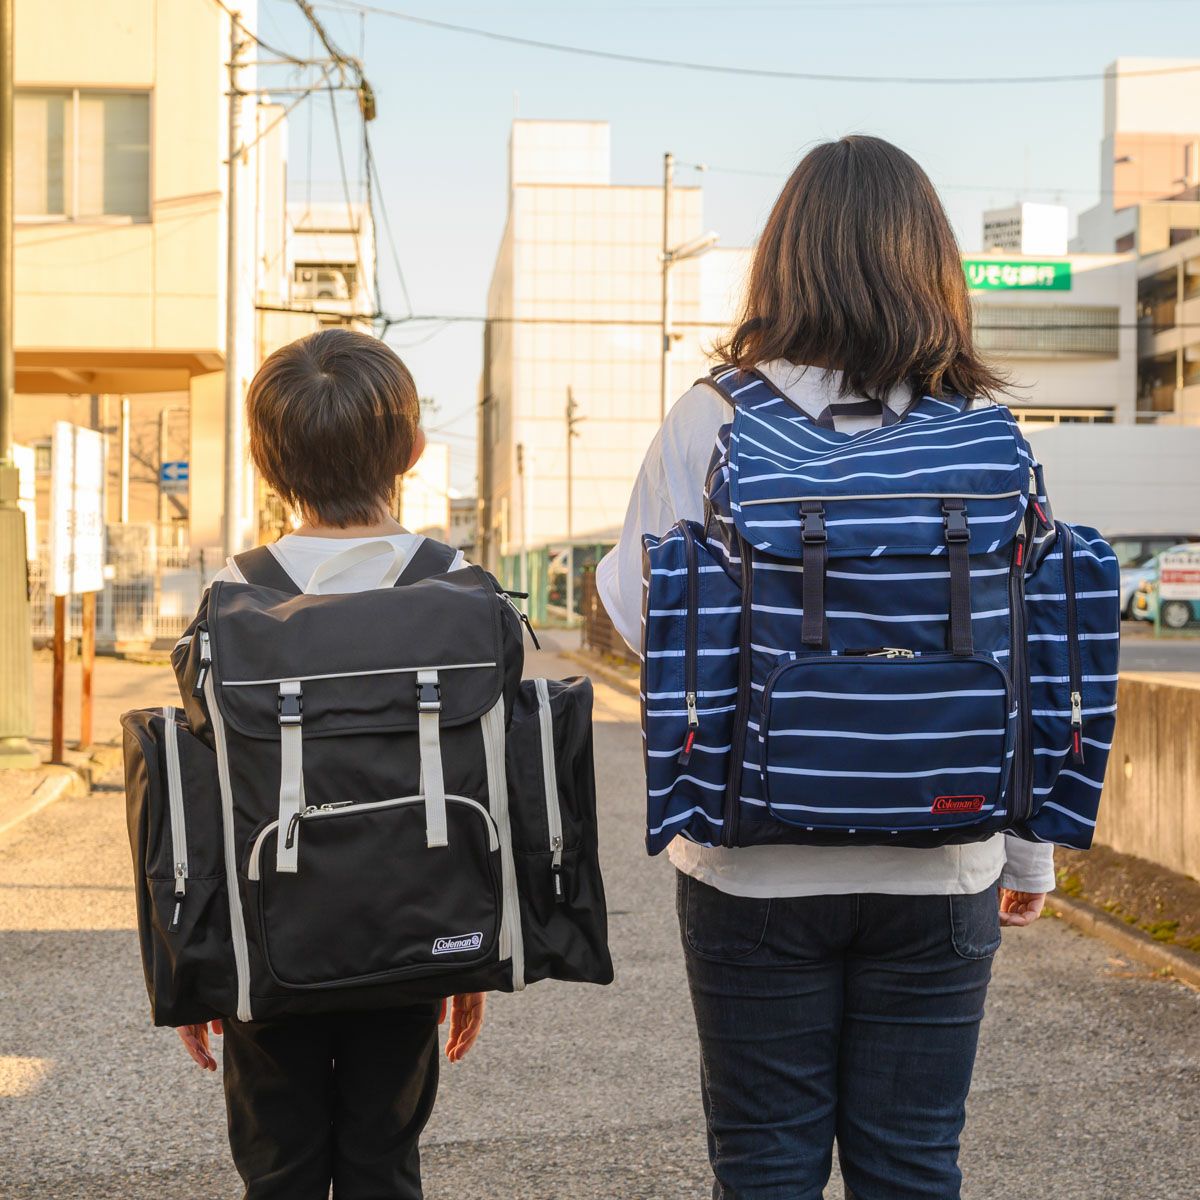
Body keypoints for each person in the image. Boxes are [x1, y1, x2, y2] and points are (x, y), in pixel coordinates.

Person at [597, 135, 1055, 1200]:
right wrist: (1028, 858)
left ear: (781, 260)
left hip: (750, 861)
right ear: (932, 264)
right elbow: (1031, 654)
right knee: (911, 1165)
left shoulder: (711, 417)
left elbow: (636, 612)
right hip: (945, 858)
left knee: (764, 1167)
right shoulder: (990, 432)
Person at [174, 328, 486, 1200]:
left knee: (278, 1170)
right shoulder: (458, 590)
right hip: (414, 930)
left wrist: (198, 960)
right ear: (414, 451)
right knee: (386, 1166)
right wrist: (469, 958)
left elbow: (204, 802)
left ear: (267, 465)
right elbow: (478, 780)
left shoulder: (231, 600)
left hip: (270, 943)